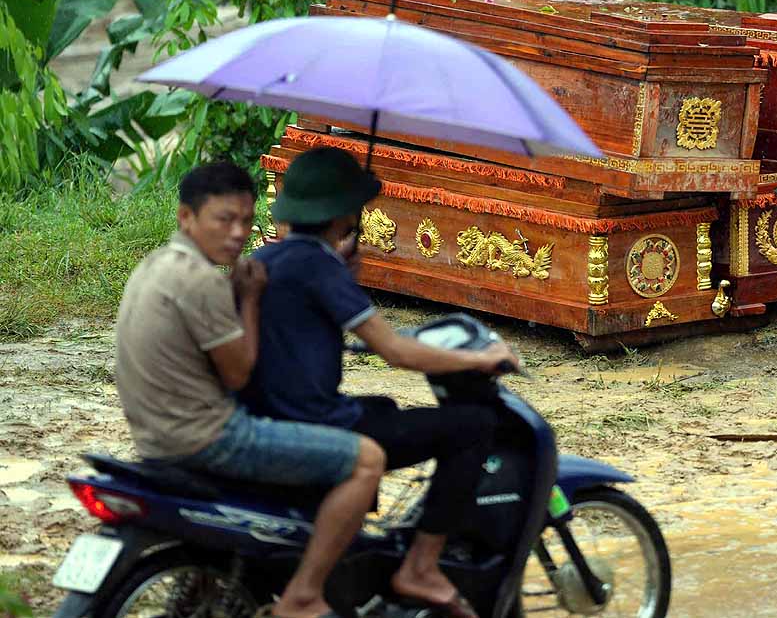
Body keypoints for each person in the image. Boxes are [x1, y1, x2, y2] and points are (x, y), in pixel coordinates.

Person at [241, 147, 516, 618]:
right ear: (343, 213)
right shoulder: (319, 266)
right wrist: (478, 357)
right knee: (470, 425)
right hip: (312, 422)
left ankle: (347, 551)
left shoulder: (271, 257)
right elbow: (396, 351)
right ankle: (422, 567)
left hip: (269, 412)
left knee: (384, 409)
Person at [113, 161, 386, 618]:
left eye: (246, 219)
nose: (239, 232)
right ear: (186, 217)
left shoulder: (156, 266)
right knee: (367, 459)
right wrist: (253, 300)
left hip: (156, 435)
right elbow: (239, 374)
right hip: (212, 438)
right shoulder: (199, 281)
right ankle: (305, 596)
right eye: (224, 219)